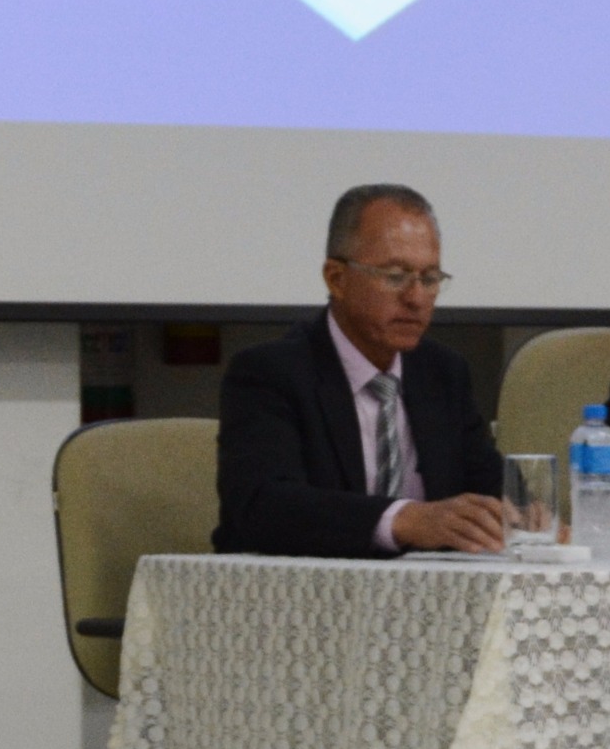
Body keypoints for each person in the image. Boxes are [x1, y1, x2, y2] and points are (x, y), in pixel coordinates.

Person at [214, 185, 511, 557]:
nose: (416, 298)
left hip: (427, 590)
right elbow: (265, 506)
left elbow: (488, 488)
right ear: (336, 278)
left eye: (430, 278)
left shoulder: (443, 374)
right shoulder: (270, 373)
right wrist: (402, 519)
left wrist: (522, 518)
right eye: (395, 276)